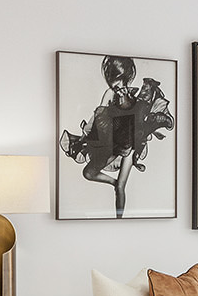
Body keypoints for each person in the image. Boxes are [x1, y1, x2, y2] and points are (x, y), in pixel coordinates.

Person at [60, 56, 174, 218]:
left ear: (126, 77)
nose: (116, 84)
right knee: (88, 173)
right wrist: (86, 133)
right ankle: (114, 186)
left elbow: (142, 119)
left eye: (119, 79)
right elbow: (97, 116)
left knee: (121, 187)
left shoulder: (138, 96)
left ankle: (119, 220)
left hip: (131, 145)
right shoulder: (110, 93)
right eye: (113, 80)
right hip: (112, 144)